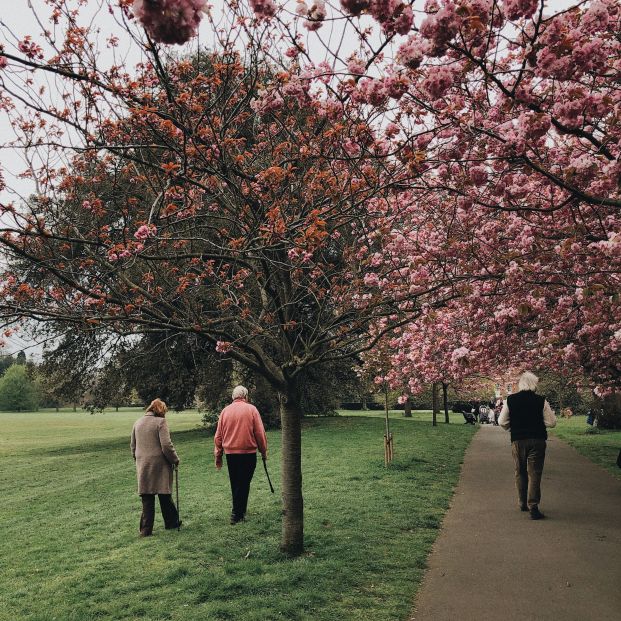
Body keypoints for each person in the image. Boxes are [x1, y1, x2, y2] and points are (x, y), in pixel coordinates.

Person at [498, 372, 557, 520]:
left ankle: (522, 502)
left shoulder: (510, 400)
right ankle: (534, 506)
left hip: (518, 440)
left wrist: (515, 427)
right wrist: (536, 423)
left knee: (520, 471)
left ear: (520, 384)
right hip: (537, 440)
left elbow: (502, 422)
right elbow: (552, 422)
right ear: (534, 384)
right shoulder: (541, 401)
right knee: (534, 473)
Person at [214, 385, 268, 524]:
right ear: (245, 396)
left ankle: (240, 511)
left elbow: (218, 436)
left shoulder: (225, 411)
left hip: (230, 454)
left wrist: (218, 455)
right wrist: (263, 451)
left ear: (233, 396)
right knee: (244, 483)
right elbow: (259, 433)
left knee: (236, 482)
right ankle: (236, 514)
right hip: (247, 453)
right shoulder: (251, 409)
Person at [130, 398, 181, 536]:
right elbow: (166, 445)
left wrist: (138, 459)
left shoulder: (138, 422)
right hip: (160, 464)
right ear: (160, 410)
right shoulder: (161, 422)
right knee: (164, 494)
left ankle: (146, 530)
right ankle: (171, 522)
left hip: (143, 464)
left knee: (147, 497)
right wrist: (175, 459)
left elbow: (133, 446)